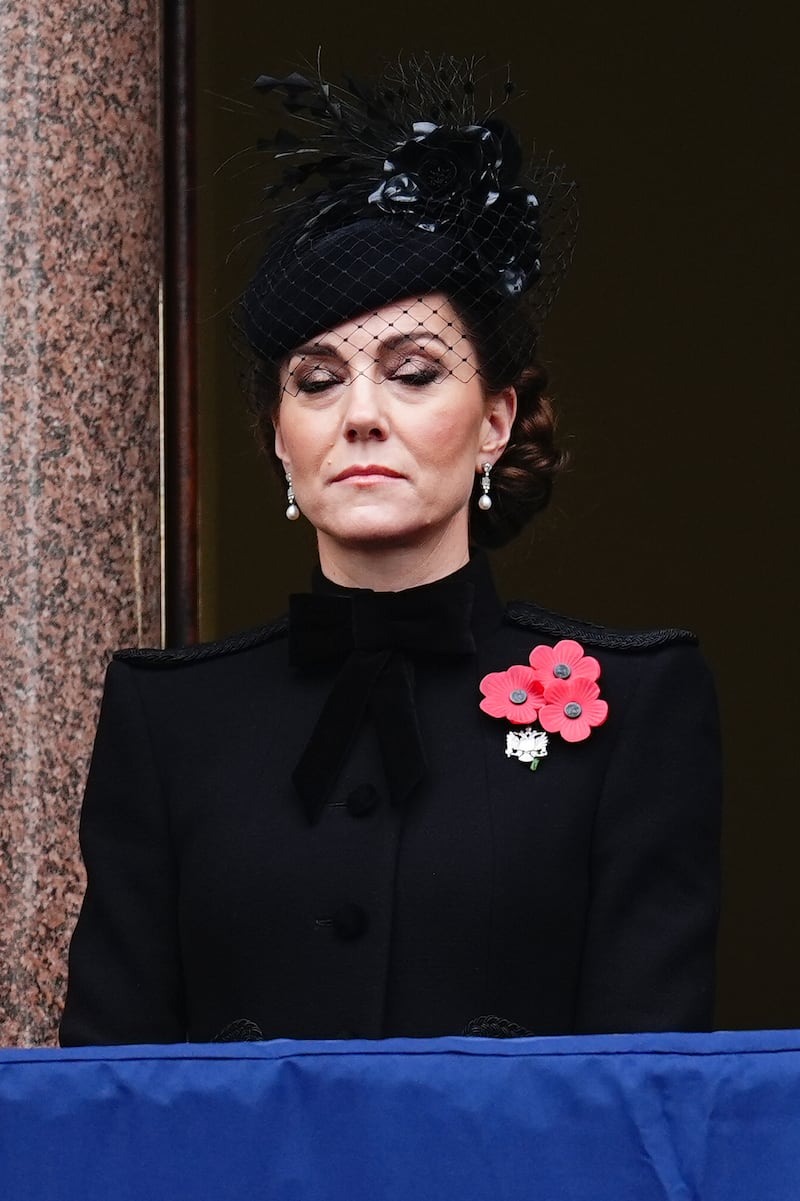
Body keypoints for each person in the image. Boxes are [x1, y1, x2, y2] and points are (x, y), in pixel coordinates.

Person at [60, 57, 721, 1046]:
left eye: (411, 373)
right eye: (316, 381)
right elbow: (108, 1092)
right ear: (276, 438)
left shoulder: (636, 704)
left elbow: (646, 1094)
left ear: (495, 419)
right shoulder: (171, 720)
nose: (360, 415)